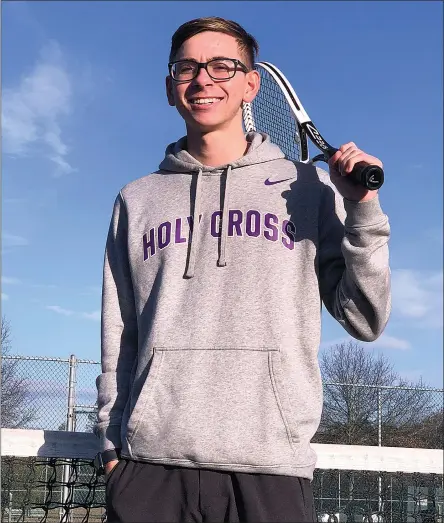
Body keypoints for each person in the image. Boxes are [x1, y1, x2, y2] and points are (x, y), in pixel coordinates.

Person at [94, 16, 391, 523]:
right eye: (187, 67)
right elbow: (119, 330)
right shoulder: (135, 199)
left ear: (251, 84)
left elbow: (365, 319)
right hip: (149, 469)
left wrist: (362, 209)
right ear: (171, 87)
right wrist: (111, 445)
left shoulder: (309, 189)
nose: (203, 79)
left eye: (222, 66)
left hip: (270, 467)